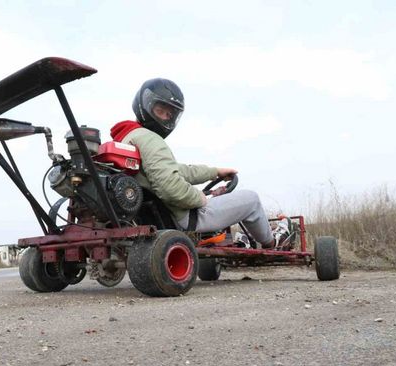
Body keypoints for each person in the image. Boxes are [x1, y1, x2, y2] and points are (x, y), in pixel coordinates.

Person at [110, 78, 275, 248]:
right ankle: (272, 244)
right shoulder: (151, 139)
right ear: (145, 105)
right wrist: (199, 198)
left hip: (157, 215)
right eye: (160, 110)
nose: (165, 119)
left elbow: (176, 171)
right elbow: (169, 187)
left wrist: (215, 172)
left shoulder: (127, 138)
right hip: (184, 218)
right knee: (252, 199)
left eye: (170, 115)